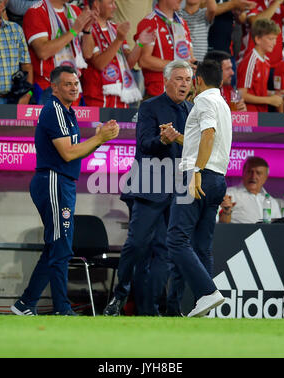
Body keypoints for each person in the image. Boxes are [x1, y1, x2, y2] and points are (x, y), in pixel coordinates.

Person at [11, 66, 119, 316]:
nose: (74, 88)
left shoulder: (66, 112)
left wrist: (98, 137)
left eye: (76, 84)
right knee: (61, 248)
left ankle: (25, 304)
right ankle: (62, 308)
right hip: (53, 182)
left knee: (55, 247)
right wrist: (100, 138)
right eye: (68, 84)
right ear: (54, 87)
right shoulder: (55, 111)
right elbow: (68, 153)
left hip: (61, 183)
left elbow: (73, 151)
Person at [103, 60, 193, 316]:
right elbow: (143, 145)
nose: (184, 83)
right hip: (149, 186)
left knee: (165, 251)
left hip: (177, 190)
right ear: (166, 81)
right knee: (137, 244)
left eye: (187, 79)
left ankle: (150, 311)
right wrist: (162, 140)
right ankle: (120, 297)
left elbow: (192, 149)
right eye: (178, 78)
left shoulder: (192, 110)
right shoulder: (150, 106)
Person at [166, 59, 232, 317]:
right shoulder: (223, 104)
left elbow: (208, 134)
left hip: (197, 176)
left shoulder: (203, 100)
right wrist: (179, 137)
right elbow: (201, 139)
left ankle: (207, 293)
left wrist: (195, 171)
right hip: (217, 179)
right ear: (221, 81)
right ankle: (203, 305)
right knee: (201, 246)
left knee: (176, 240)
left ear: (199, 81)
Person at [82, 0, 155, 108]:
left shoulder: (115, 28)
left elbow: (129, 63)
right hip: (97, 100)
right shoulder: (88, 28)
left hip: (121, 101)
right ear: (97, 4)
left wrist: (139, 43)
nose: (115, 7)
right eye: (111, 3)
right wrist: (119, 39)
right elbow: (99, 63)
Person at [22, 0, 96, 105]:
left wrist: (86, 30)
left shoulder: (75, 11)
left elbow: (88, 54)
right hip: (49, 89)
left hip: (74, 90)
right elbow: (43, 51)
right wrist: (74, 31)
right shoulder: (36, 11)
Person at [135, 0, 194, 98]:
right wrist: (178, 66)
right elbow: (144, 60)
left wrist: (193, 64)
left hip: (183, 96)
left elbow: (190, 57)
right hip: (158, 95)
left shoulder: (182, 23)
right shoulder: (149, 22)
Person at [0, 0, 33, 105]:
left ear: (2, 5)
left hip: (15, 99)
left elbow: (26, 66)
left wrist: (28, 94)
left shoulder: (15, 30)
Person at [237, 18, 283, 112]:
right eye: (270, 39)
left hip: (261, 113)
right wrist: (269, 100)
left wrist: (274, 93)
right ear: (258, 39)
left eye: (275, 39)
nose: (274, 43)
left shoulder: (266, 61)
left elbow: (257, 91)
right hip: (250, 115)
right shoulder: (250, 61)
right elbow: (242, 94)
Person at [219, 156, 281, 223]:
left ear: (266, 177)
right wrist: (226, 212)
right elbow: (218, 225)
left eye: (258, 173)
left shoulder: (272, 202)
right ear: (243, 173)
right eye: (250, 172)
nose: (253, 176)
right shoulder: (228, 195)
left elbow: (278, 228)